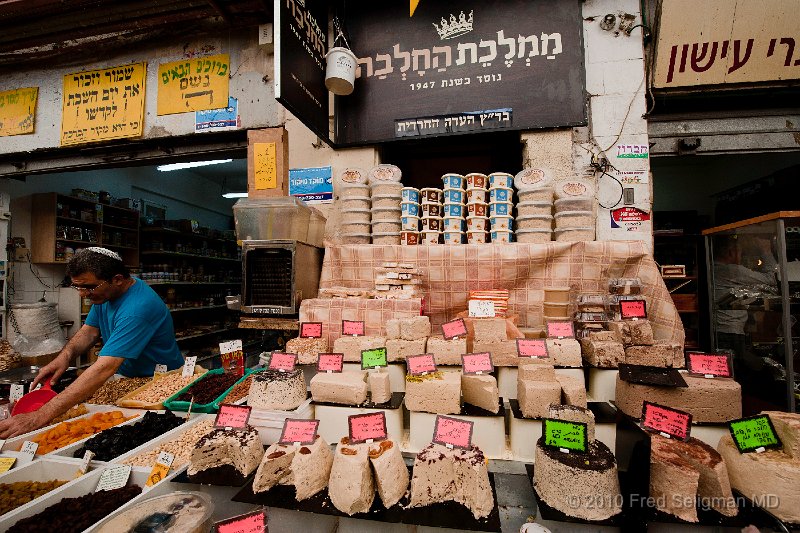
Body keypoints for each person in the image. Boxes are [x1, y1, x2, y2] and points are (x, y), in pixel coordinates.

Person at [0, 247, 184, 438]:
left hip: (161, 382)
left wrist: (40, 416)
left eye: (88, 287)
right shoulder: (106, 295)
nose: (82, 294)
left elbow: (105, 368)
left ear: (118, 279)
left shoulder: (138, 309)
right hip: (129, 379)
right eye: (77, 287)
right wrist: (64, 357)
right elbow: (89, 332)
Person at [712, 234, 778, 375]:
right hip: (730, 333)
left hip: (720, 331)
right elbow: (772, 279)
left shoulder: (712, 269)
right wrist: (766, 252)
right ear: (730, 252)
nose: (741, 257)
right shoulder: (732, 271)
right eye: (741, 252)